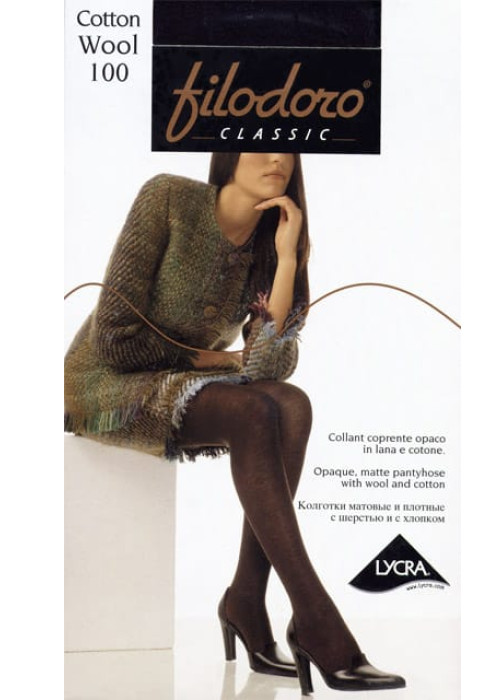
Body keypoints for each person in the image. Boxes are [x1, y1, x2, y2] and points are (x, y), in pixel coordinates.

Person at [64, 153, 405, 694]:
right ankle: (315, 619)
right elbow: (116, 340)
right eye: (260, 142)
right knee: (253, 410)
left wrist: (287, 259)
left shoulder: (272, 239)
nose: (277, 157)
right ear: (228, 149)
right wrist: (217, 360)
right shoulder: (168, 198)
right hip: (101, 387)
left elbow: (268, 366)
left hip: (175, 380)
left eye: (287, 146)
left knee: (291, 404)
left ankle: (246, 601)